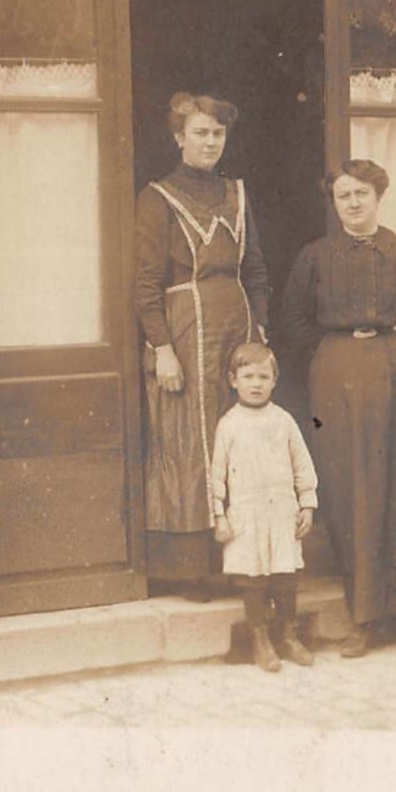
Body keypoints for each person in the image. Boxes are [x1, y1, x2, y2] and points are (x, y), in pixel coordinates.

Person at [280, 158, 396, 657]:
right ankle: (367, 616)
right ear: (334, 203)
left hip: (392, 373)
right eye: (344, 195)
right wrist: (331, 355)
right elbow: (294, 322)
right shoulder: (316, 256)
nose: (354, 202)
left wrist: (384, 351)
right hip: (335, 378)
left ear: (378, 197)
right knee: (350, 489)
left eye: (362, 193)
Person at [136, 92, 269, 590]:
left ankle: (244, 560)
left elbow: (255, 269)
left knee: (239, 438)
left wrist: (261, 332)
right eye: (200, 132)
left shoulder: (236, 192)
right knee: (190, 440)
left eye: (217, 133)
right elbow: (146, 283)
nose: (210, 141)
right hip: (184, 331)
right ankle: (192, 571)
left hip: (237, 329)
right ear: (179, 139)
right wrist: (162, 347)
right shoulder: (157, 197)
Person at [211, 342, 319, 672]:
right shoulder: (229, 424)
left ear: (275, 380)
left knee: (286, 577)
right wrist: (218, 514)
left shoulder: (284, 421)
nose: (255, 384)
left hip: (281, 513)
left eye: (263, 376)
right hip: (247, 515)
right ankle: (261, 640)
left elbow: (303, 464)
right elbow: (215, 474)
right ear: (233, 380)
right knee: (254, 579)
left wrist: (307, 504)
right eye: (248, 377)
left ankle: (288, 635)